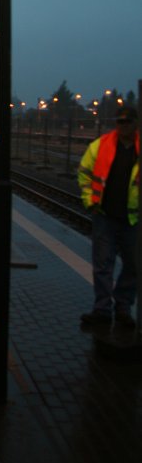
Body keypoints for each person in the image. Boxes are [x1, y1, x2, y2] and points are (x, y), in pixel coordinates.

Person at [78, 104, 139, 328]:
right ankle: (102, 309)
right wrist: (89, 201)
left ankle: (123, 307)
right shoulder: (101, 145)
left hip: (132, 219)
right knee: (103, 265)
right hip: (105, 215)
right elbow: (84, 172)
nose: (123, 126)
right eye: (120, 122)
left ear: (135, 123)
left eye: (127, 122)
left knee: (133, 265)